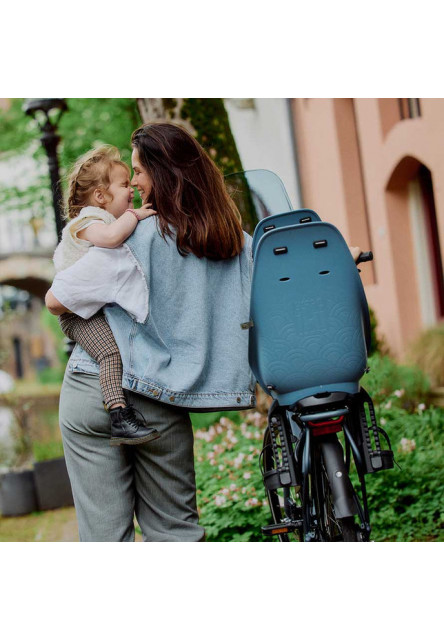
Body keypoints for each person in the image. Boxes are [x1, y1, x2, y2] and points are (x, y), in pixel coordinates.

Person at [45, 122, 256, 542]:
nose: (135, 182)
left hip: (94, 393)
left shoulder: (131, 236)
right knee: (175, 532)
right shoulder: (231, 240)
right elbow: (278, 263)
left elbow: (57, 299)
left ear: (163, 174)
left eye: (138, 171)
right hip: (164, 396)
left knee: (106, 540)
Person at [53, 145, 160, 446]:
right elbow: (112, 240)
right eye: (125, 185)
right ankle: (119, 415)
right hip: (74, 313)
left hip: (83, 307)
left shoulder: (101, 220)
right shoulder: (90, 221)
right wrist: (135, 215)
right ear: (101, 196)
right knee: (109, 353)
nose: (130, 191)